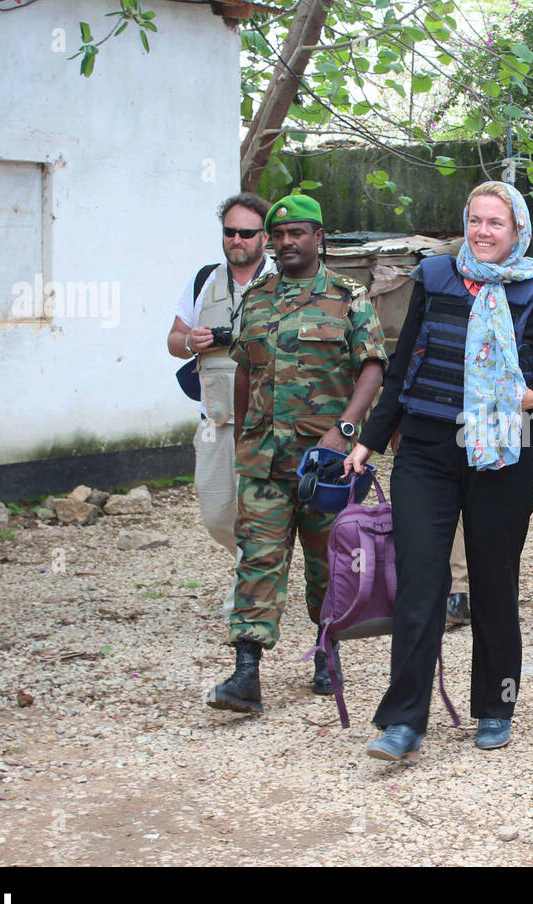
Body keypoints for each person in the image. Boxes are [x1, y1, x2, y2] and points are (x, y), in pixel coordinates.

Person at [345, 181, 533, 759]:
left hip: (505, 455)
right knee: (421, 583)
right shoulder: (435, 277)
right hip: (427, 448)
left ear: (518, 230)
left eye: (494, 222)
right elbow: (402, 367)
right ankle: (404, 722)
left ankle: (496, 705)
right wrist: (369, 442)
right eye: (474, 220)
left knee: (494, 584)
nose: (481, 231)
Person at [206, 195, 387, 713]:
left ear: (318, 238)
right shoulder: (257, 298)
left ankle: (327, 653)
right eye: (279, 234)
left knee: (328, 565)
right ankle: (246, 673)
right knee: (257, 559)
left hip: (326, 463)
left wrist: (346, 428)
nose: (287, 242)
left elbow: (373, 365)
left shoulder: (347, 296)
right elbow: (242, 366)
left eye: (298, 233)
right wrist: (242, 435)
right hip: (263, 459)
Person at [167, 193, 275, 615]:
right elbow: (173, 341)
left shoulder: (282, 282)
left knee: (258, 509)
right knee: (215, 513)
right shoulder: (204, 281)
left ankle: (250, 594)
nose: (237, 240)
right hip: (215, 418)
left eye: (247, 232)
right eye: (230, 231)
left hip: (266, 419)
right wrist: (189, 340)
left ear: (264, 237)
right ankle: (257, 559)